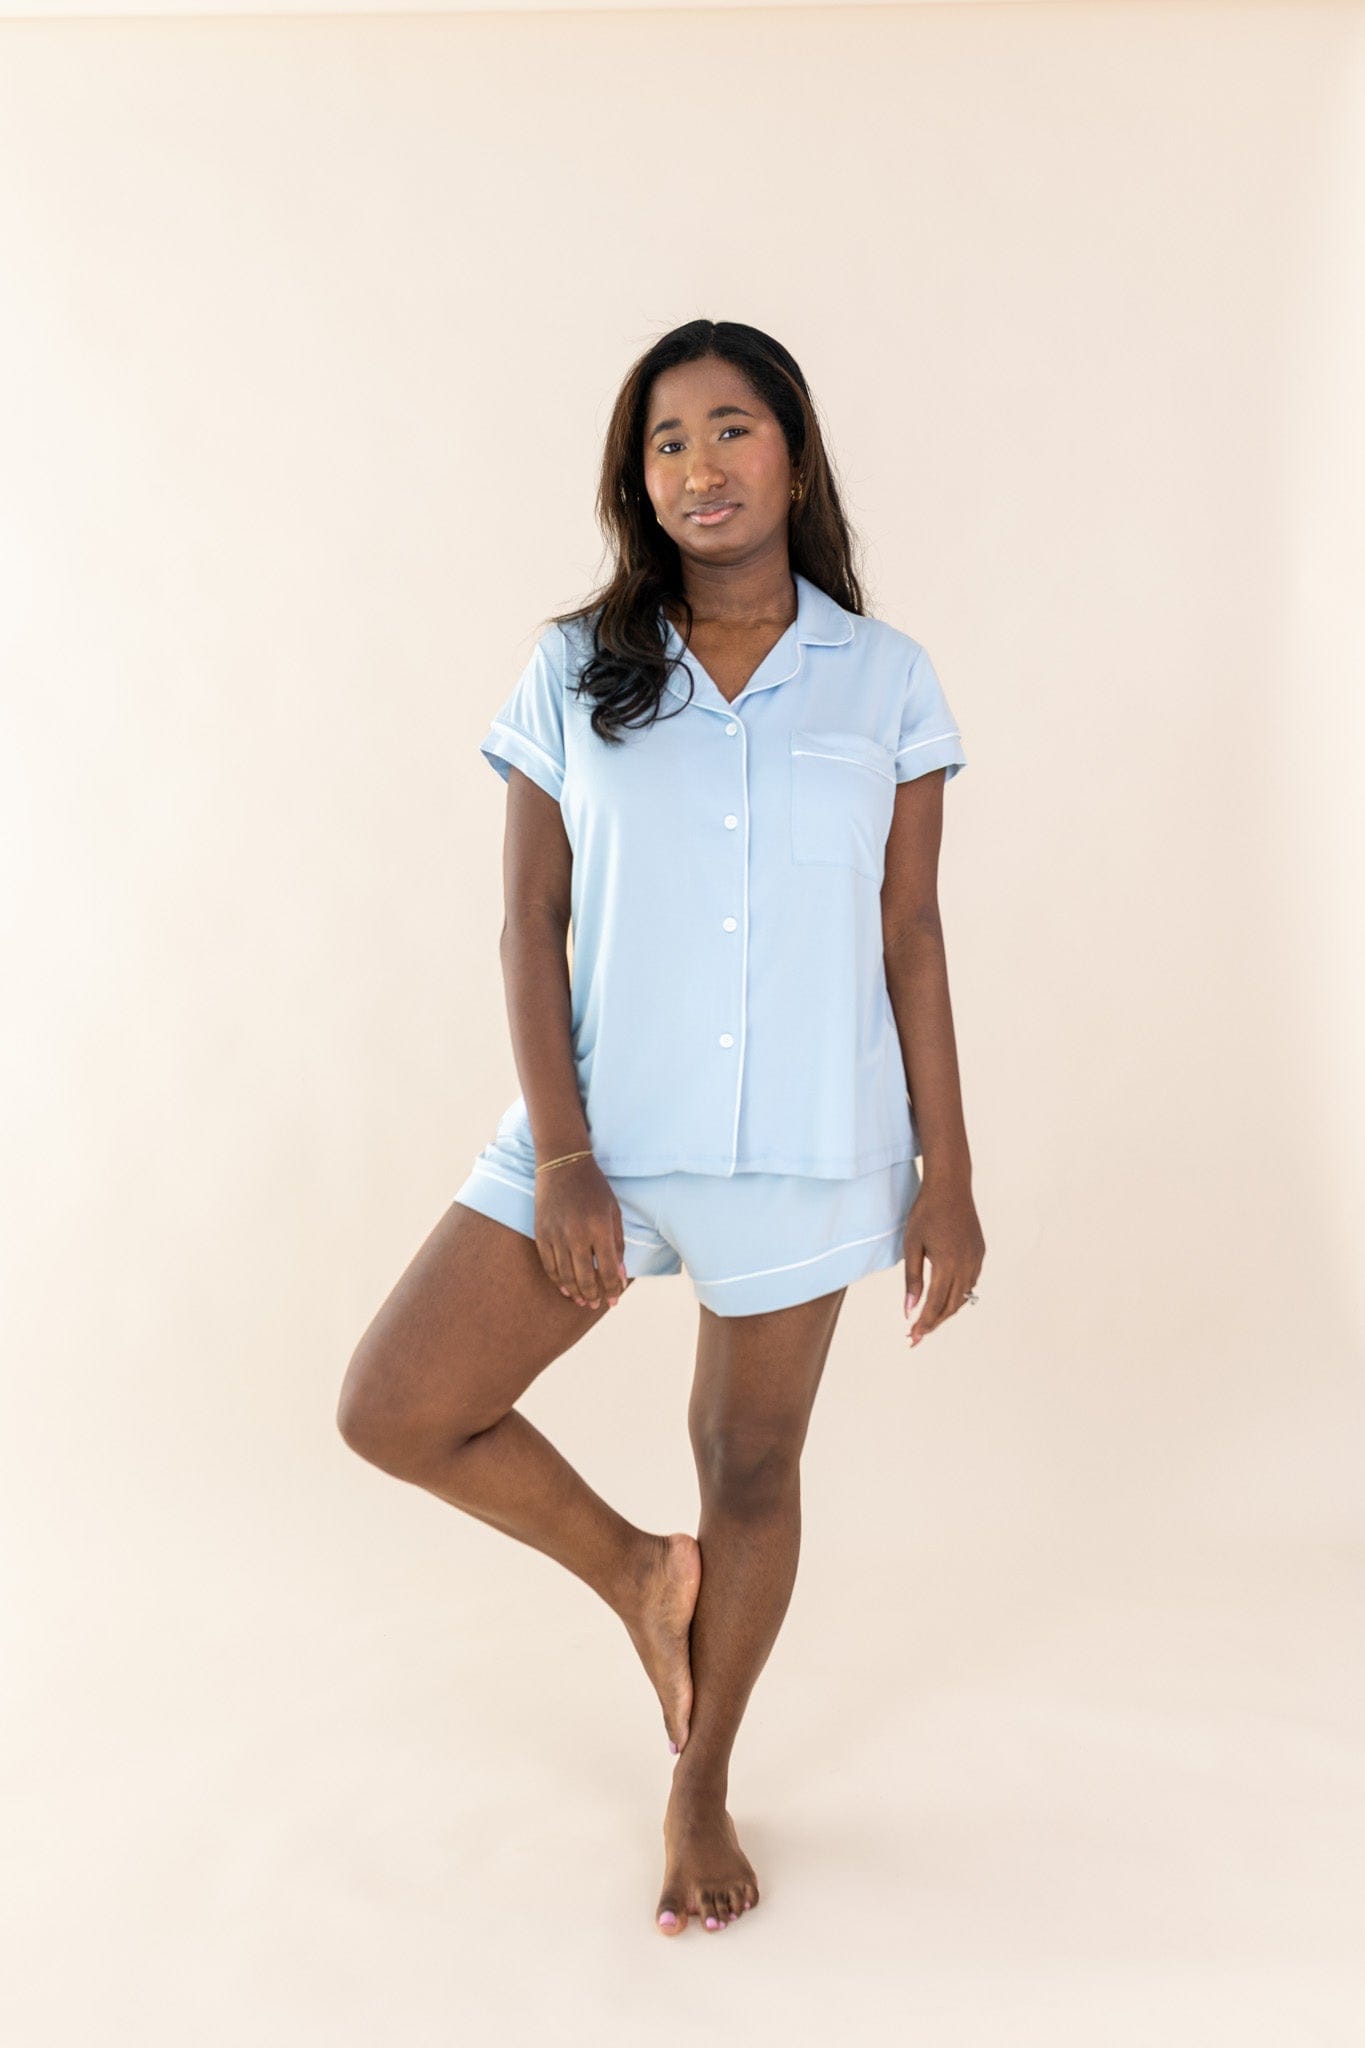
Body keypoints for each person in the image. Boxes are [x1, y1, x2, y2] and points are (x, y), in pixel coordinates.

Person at [336, 318, 987, 1938]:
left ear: (794, 455)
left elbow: (910, 934)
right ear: (636, 481)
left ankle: (698, 1785)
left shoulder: (885, 677)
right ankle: (639, 1574)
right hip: (602, 1137)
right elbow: (528, 924)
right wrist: (563, 1158)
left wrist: (950, 1176)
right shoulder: (573, 668)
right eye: (666, 440)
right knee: (396, 1405)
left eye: (730, 428)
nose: (700, 465)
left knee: (751, 1463)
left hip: (812, 1146)